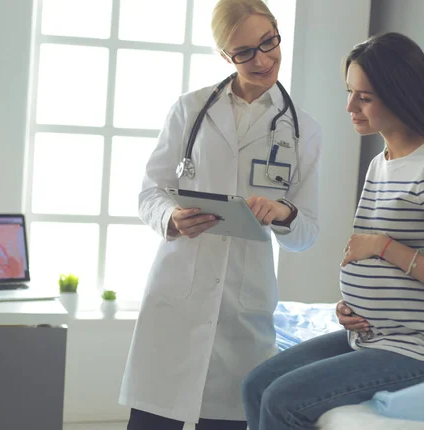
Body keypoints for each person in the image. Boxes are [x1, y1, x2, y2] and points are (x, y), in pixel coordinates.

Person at [241, 31, 424, 430]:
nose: (349, 106)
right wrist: (354, 309)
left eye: (363, 97)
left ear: (401, 95)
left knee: (282, 401)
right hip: (377, 337)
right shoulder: (381, 163)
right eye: (349, 92)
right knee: (255, 384)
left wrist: (384, 247)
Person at [118, 0, 322, 429]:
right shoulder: (190, 110)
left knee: (224, 421)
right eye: (244, 52)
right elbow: (150, 191)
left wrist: (283, 214)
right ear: (224, 56)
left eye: (268, 43)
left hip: (243, 312)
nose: (262, 59)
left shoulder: (303, 130)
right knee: (154, 420)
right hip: (179, 294)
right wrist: (170, 217)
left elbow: (306, 233)